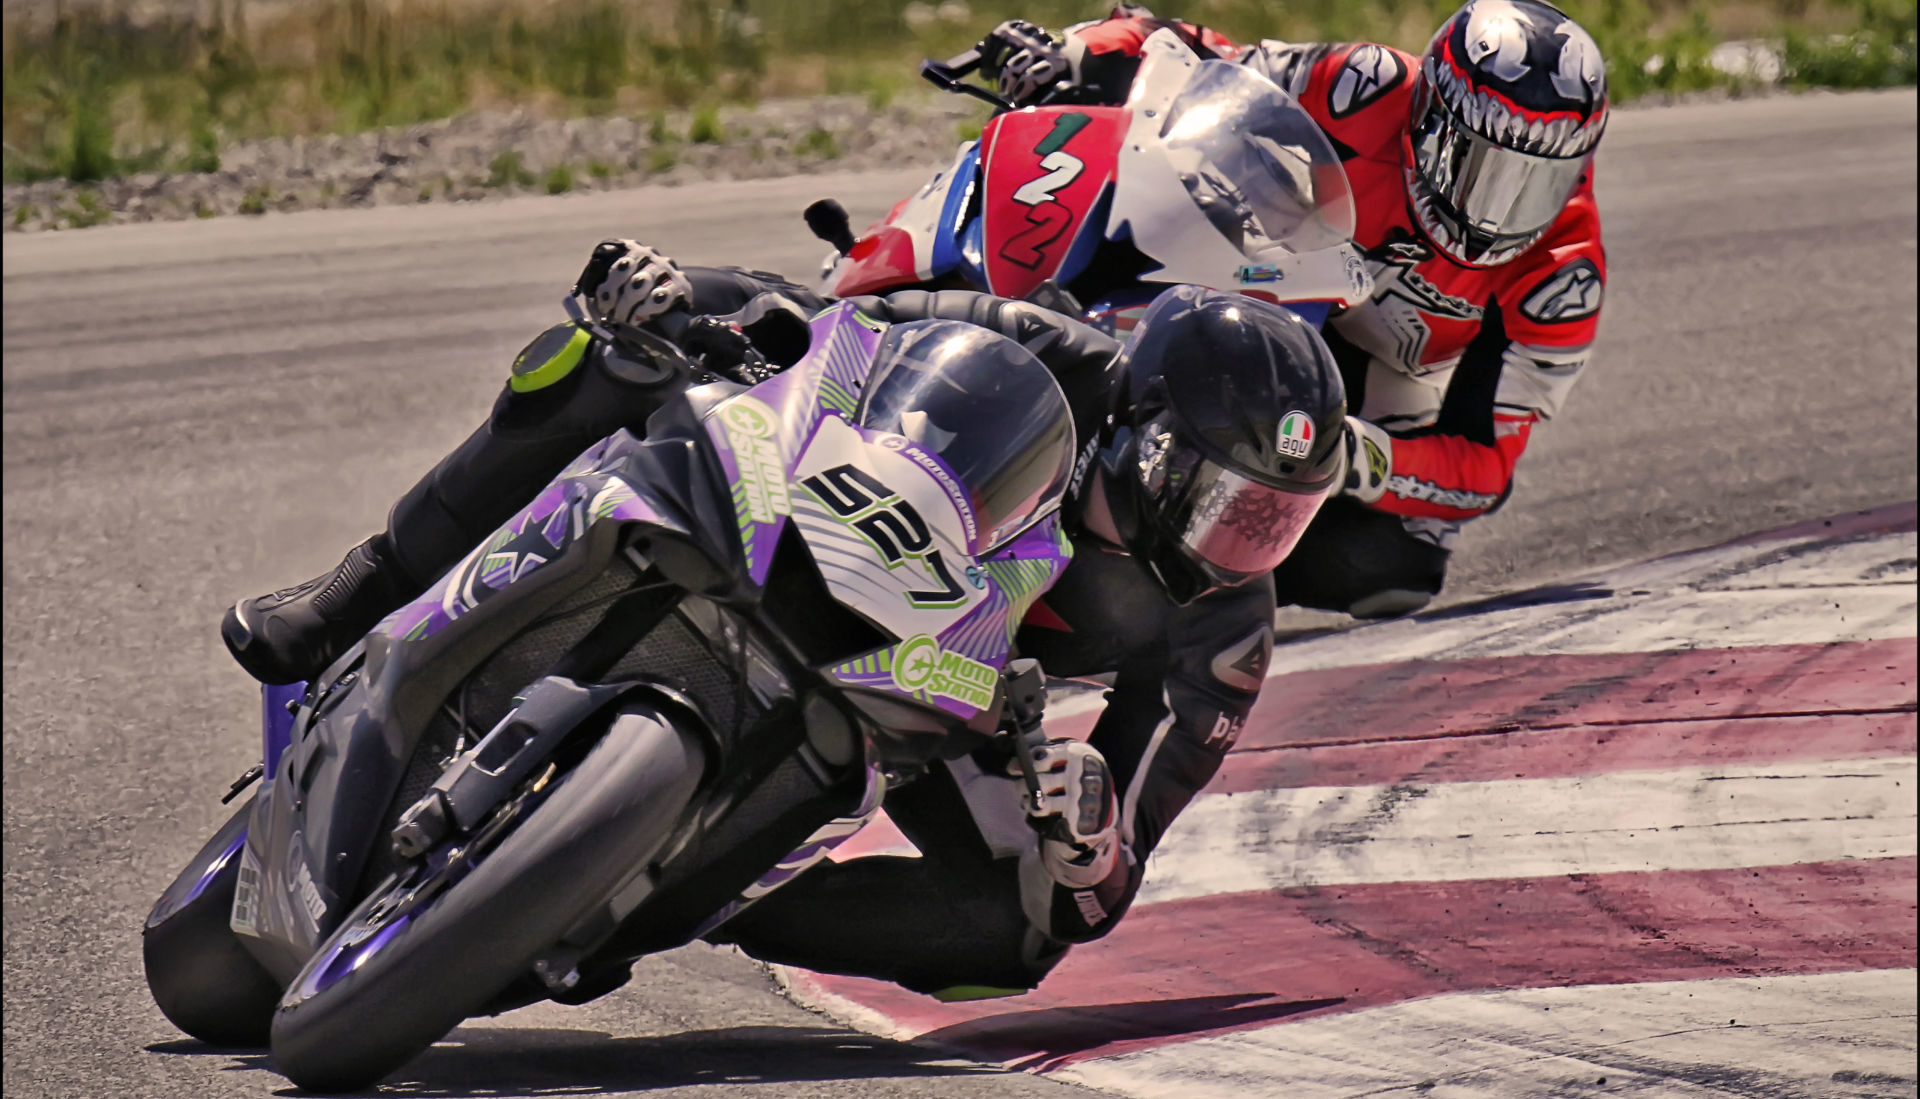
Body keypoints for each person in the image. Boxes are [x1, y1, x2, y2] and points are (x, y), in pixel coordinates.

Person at [222, 239, 1348, 996]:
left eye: (1271, 521)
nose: (1234, 545)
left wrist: (1091, 831)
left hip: (956, 693)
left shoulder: (1226, 630)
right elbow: (834, 324)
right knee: (614, 354)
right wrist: (678, 293)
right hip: (832, 519)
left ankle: (688, 889)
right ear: (1142, 426)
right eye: (1221, 500)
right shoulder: (1052, 346)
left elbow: (1109, 880)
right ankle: (358, 588)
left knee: (1019, 933)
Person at [976, 0, 1610, 617]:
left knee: (1388, 565)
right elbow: (1204, 56)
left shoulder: (1560, 277)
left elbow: (1483, 470)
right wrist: (1084, 48)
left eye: (1538, 180)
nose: (1496, 213)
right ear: (1429, 115)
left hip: (1383, 370)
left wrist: (1347, 456)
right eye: (1480, 166)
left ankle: (1151, 596)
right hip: (1263, 278)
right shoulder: (1366, 87)